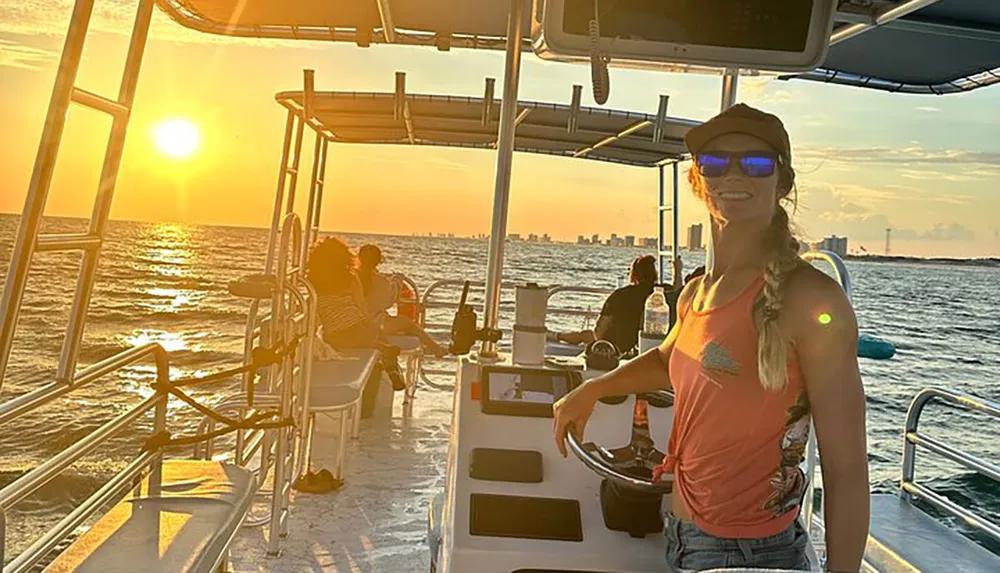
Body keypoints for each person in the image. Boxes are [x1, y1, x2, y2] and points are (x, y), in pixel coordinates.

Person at [553, 104, 869, 571]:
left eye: (757, 163)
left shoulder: (811, 301)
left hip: (752, 555)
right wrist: (593, 388)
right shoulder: (697, 292)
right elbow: (667, 359)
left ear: (783, 184)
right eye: (715, 163)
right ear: (697, 181)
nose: (733, 174)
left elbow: (846, 472)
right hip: (684, 535)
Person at [307, 238, 406, 391]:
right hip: (360, 327)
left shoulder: (312, 282)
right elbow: (361, 309)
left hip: (336, 334)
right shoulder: (350, 278)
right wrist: (373, 329)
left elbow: (312, 310)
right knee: (374, 337)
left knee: (346, 340)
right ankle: (390, 361)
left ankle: (383, 348)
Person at [357, 244, 448, 358]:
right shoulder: (382, 282)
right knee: (409, 324)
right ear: (379, 261)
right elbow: (389, 302)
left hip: (355, 323)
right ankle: (436, 348)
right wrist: (398, 280)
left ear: (359, 257)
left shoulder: (352, 277)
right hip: (376, 324)